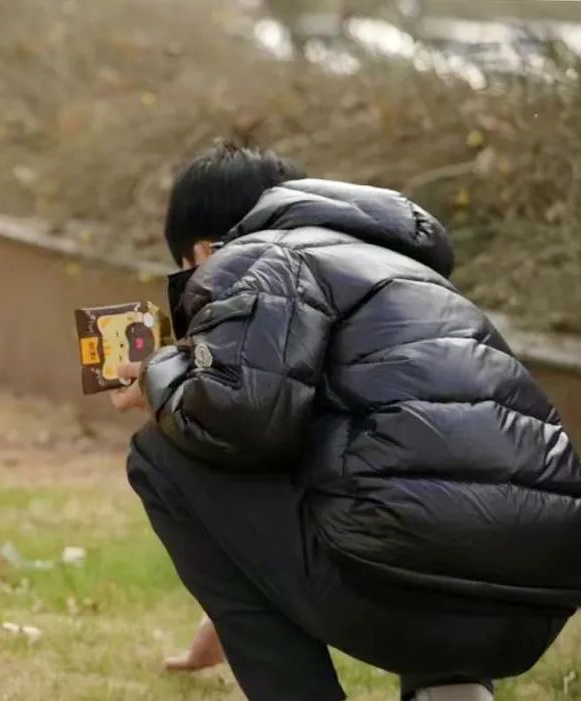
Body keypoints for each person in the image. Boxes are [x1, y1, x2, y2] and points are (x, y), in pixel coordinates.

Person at [112, 141, 581, 701]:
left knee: (161, 456)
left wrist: (155, 377)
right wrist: (230, 609)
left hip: (395, 590)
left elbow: (238, 424)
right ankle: (452, 692)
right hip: (533, 603)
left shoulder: (255, 259)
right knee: (412, 478)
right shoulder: (406, 275)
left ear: (204, 250)